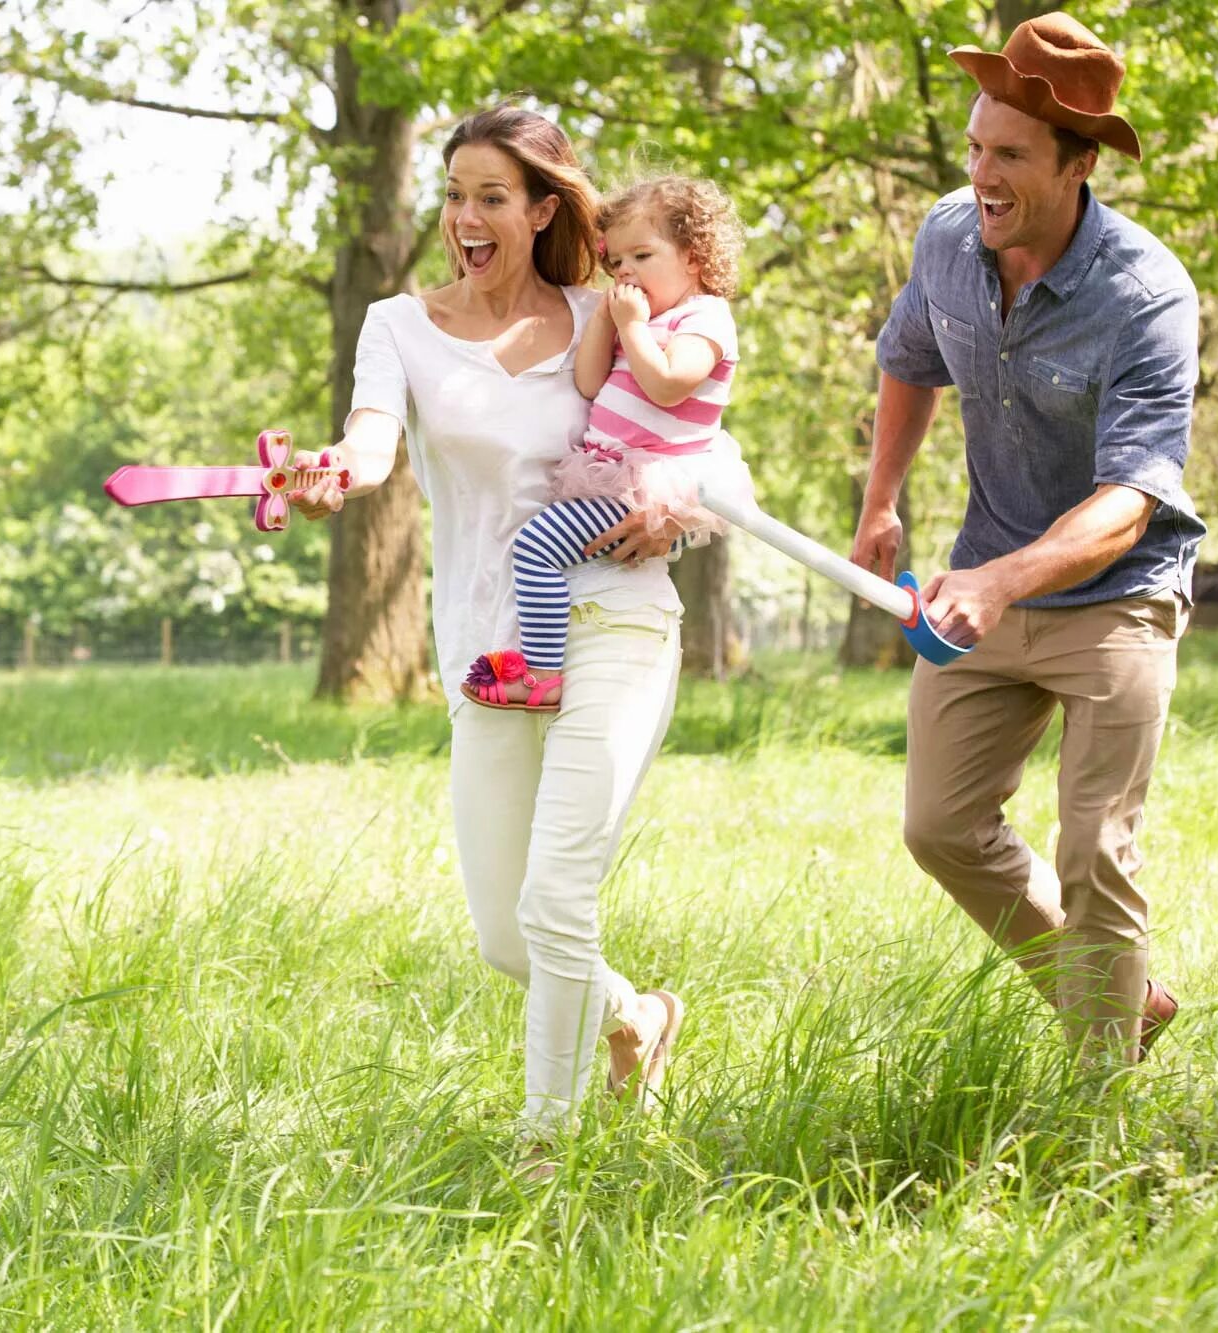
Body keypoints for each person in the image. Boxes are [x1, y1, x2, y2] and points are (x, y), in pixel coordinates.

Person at [293, 106, 688, 1176]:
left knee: (558, 895)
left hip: (615, 614)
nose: (463, 219)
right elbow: (370, 443)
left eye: (490, 197)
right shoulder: (398, 325)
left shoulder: (604, 313)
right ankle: (636, 1018)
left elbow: (687, 422)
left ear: (544, 207)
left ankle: (542, 1144)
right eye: (453, 195)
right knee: (505, 935)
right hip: (491, 649)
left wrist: (671, 494)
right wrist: (330, 473)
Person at [855, 13, 1202, 1066]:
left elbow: (1133, 497)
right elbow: (910, 357)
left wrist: (1004, 578)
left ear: (1075, 163)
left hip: (1114, 593)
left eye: (1006, 155)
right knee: (937, 826)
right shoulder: (947, 238)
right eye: (972, 147)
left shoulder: (1144, 296)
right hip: (985, 582)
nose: (980, 175)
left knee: (1093, 846)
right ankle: (1115, 1000)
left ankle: (1096, 1104)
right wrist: (881, 500)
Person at [463, 173, 752, 713]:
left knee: (535, 548)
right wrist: (606, 318)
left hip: (645, 483)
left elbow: (668, 384)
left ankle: (543, 676)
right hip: (604, 469)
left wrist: (635, 327)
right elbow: (589, 383)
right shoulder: (634, 317)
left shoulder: (705, 316)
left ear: (693, 258)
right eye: (617, 263)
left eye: (643, 256)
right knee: (543, 550)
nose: (627, 273)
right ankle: (552, 659)